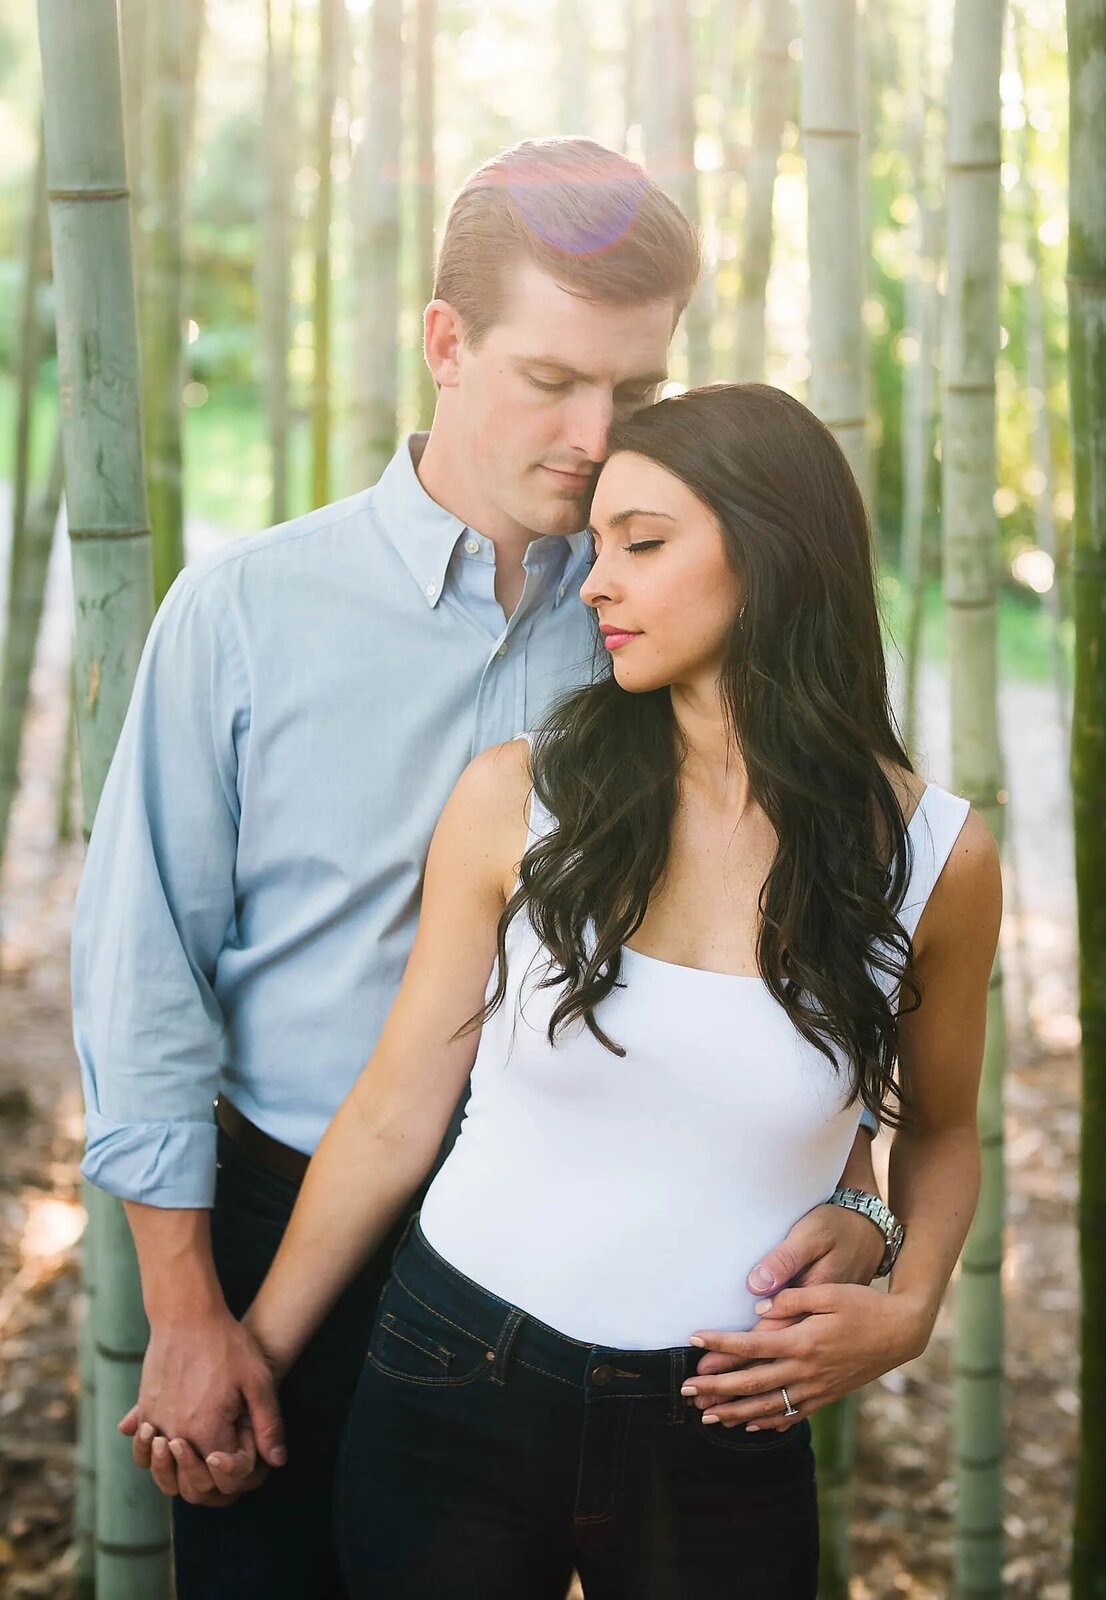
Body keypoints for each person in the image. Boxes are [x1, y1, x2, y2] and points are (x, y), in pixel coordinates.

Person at [72, 141, 892, 1600]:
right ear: (445, 345)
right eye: (552, 377)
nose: (595, 433)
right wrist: (188, 1312)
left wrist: (866, 1201)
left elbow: (826, 946)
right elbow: (146, 978)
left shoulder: (678, 608)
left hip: (587, 1267)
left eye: (637, 393)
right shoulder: (247, 614)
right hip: (286, 1216)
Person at [156, 383, 1003, 1598]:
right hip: (452, 1372)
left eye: (641, 543)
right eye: (596, 543)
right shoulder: (520, 793)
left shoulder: (937, 860)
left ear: (771, 553)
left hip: (723, 1422)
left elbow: (944, 1125)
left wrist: (911, 1296)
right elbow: (399, 1105)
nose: (596, 581)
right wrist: (255, 1354)